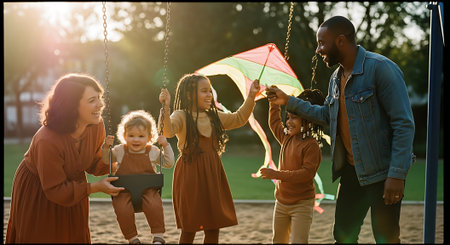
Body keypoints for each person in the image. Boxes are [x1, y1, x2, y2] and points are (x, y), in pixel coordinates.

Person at [266, 16, 415, 243]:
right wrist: (288, 101)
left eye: (322, 43)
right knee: (343, 236)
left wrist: (396, 174)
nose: (318, 50)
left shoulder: (381, 69)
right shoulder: (335, 79)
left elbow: (403, 124)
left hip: (382, 174)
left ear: (341, 41)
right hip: (351, 173)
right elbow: (327, 116)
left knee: (386, 238)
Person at [5, 73, 125, 243]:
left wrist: (120, 162)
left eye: (100, 98)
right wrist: (95, 187)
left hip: (74, 188)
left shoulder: (96, 126)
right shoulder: (46, 140)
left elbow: (93, 162)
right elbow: (54, 189)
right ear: (72, 106)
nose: (100, 104)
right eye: (92, 100)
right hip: (40, 189)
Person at [158, 73, 260, 244]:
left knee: (213, 225)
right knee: (190, 226)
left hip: (212, 172)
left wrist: (251, 96)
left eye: (210, 91)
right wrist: (166, 107)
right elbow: (167, 131)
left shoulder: (214, 116)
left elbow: (239, 118)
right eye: (204, 91)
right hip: (190, 174)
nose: (209, 95)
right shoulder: (181, 115)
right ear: (190, 95)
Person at [261, 89, 325, 244]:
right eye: (288, 117)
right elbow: (274, 122)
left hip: (302, 204)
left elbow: (305, 174)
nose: (288, 122)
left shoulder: (311, 146)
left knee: (299, 241)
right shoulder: (286, 138)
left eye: (294, 118)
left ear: (309, 120)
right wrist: (273, 103)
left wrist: (277, 174)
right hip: (282, 202)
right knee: (278, 240)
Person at [101, 110, 175, 244]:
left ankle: (158, 236)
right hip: (123, 190)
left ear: (149, 137)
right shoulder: (119, 150)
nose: (136, 139)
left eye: (141, 136)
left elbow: (168, 163)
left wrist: (165, 145)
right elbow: (106, 160)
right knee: (122, 209)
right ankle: (132, 238)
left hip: (148, 189)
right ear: (124, 136)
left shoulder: (152, 151)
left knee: (154, 205)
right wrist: (106, 147)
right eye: (131, 135)